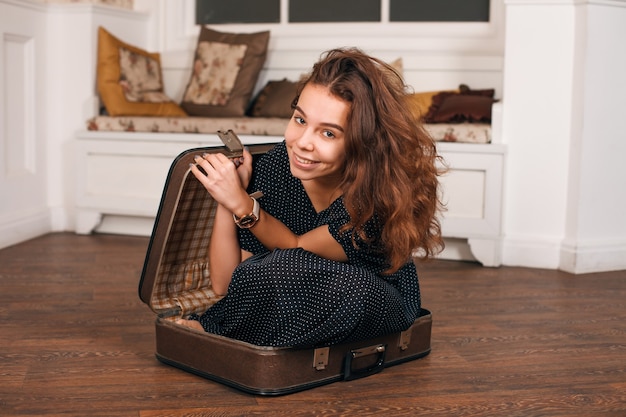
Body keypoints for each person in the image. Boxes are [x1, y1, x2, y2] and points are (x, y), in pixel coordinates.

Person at [177, 47, 445, 348]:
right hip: (296, 296)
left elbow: (295, 251)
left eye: (328, 133)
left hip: (371, 295)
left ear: (363, 143)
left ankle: (220, 335)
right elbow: (226, 281)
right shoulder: (278, 166)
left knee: (290, 268)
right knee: (266, 271)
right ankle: (235, 338)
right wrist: (228, 199)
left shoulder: (375, 197)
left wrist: (242, 203)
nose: (303, 144)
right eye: (300, 120)